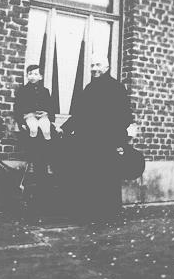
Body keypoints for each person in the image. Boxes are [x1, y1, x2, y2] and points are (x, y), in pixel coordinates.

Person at [60, 54, 134, 221]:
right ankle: (90, 213)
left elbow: (126, 117)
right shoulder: (89, 88)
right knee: (88, 176)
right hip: (87, 141)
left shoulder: (117, 88)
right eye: (92, 65)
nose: (94, 68)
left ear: (107, 67)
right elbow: (79, 115)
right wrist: (63, 128)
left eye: (98, 65)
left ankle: (109, 215)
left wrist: (117, 140)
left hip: (107, 142)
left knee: (107, 178)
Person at [14, 64, 56, 182]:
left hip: (42, 116)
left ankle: (47, 158)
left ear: (41, 77)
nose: (32, 76)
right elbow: (18, 107)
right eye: (30, 74)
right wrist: (21, 121)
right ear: (27, 76)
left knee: (47, 131)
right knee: (33, 129)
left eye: (35, 74)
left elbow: (51, 107)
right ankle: (31, 156)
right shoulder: (22, 90)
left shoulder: (45, 91)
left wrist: (47, 114)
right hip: (29, 116)